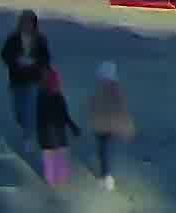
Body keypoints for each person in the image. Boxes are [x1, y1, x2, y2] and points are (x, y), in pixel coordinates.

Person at [1, 10, 54, 148]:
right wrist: (15, 62)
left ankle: (28, 136)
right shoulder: (13, 38)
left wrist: (38, 65)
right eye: (24, 22)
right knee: (18, 111)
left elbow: (45, 58)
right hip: (16, 79)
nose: (27, 25)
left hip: (33, 78)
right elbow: (5, 55)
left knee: (30, 108)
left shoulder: (40, 40)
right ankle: (26, 126)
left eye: (29, 23)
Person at [85, 61, 136, 190]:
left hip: (100, 126)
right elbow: (122, 109)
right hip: (112, 126)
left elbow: (93, 105)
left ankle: (105, 175)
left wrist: (91, 118)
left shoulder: (99, 88)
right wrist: (127, 126)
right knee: (108, 150)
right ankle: (107, 176)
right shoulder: (116, 90)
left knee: (102, 150)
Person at [33, 64, 79, 187]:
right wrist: (73, 126)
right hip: (58, 131)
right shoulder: (58, 96)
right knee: (59, 153)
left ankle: (51, 178)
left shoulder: (40, 96)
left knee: (48, 154)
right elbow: (64, 114)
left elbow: (38, 116)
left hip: (44, 131)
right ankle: (61, 176)